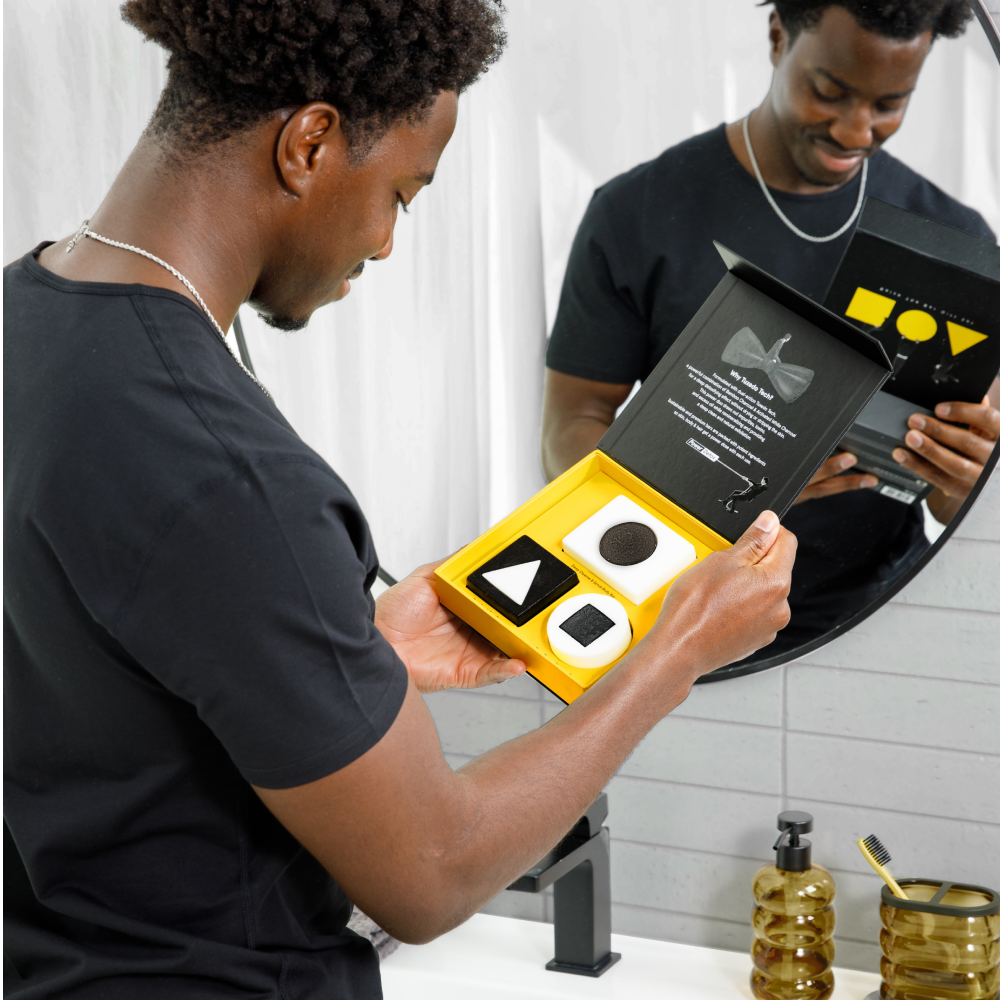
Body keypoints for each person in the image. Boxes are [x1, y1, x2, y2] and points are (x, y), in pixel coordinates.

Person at [3, 2, 797, 997]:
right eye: (402, 195)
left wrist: (345, 645)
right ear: (310, 142)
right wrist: (677, 649)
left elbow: (111, 658)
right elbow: (434, 872)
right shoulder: (233, 476)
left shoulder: (27, 317)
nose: (383, 244)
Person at [541, 0, 1000, 655]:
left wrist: (965, 484)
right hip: (684, 611)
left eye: (890, 103)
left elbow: (959, 509)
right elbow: (571, 426)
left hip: (881, 619)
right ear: (778, 35)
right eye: (829, 92)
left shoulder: (957, 241)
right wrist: (704, 497)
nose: (856, 129)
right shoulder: (636, 213)